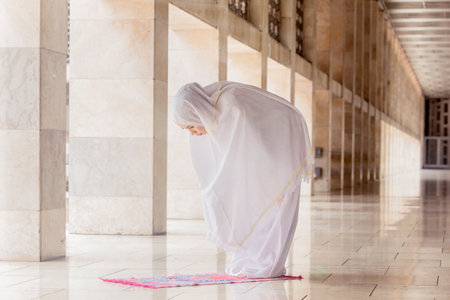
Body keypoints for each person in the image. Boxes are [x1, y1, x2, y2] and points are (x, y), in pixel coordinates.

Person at [172, 81, 312, 278]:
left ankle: (268, 265)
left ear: (198, 113)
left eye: (191, 126)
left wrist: (268, 181)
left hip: (282, 144)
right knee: (251, 208)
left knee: (275, 207)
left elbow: (256, 147)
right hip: (264, 155)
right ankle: (252, 261)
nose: (193, 133)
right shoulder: (216, 115)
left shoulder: (232, 106)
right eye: (186, 129)